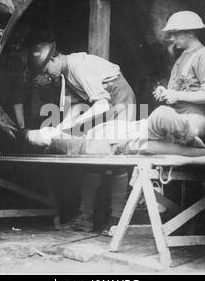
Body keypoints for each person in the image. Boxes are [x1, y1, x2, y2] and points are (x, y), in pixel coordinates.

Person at [23, 105, 205, 235]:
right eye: (185, 120)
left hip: (110, 141)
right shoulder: (161, 131)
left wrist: (193, 142)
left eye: (188, 122)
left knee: (49, 138)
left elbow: (164, 117)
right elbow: (163, 119)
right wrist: (194, 142)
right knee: (52, 138)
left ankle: (27, 136)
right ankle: (29, 136)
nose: (184, 120)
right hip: (110, 135)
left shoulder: (164, 133)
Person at [29, 42, 137, 234]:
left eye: (46, 68)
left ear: (54, 58)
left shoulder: (79, 67)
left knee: (115, 154)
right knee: (90, 156)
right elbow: (76, 109)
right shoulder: (65, 74)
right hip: (102, 106)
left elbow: (102, 105)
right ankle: (85, 217)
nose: (47, 74)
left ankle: (117, 218)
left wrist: (73, 126)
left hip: (120, 102)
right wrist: (61, 129)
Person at [153, 11, 205, 123]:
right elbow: (182, 86)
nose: (172, 39)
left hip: (195, 119)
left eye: (176, 33)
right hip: (180, 117)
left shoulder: (203, 56)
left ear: (191, 33)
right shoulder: (185, 54)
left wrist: (176, 95)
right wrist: (166, 92)